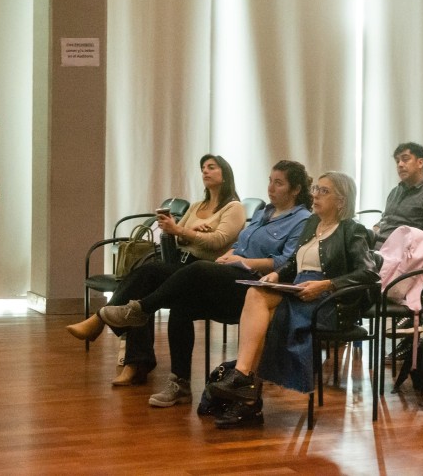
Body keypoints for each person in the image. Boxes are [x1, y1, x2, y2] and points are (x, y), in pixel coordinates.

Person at [96, 160, 313, 408]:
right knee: (181, 303)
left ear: (295, 190)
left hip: (257, 289)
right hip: (232, 276)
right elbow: (240, 244)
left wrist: (243, 260)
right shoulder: (265, 213)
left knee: (196, 268)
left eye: (279, 183)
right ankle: (180, 384)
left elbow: (285, 262)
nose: (271, 188)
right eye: (270, 181)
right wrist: (230, 254)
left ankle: (140, 309)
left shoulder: (302, 220)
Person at [207, 172, 377, 428]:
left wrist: (326, 284)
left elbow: (368, 273)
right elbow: (293, 262)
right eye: (316, 189)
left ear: (341, 201)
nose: (315, 195)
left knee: (267, 318)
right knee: (256, 292)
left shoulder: (353, 230)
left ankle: (247, 395)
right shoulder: (311, 224)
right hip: (301, 293)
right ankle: (243, 381)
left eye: (324, 191)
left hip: (330, 302)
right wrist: (276, 273)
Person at [66, 154, 245, 386]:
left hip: (205, 273)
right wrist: (180, 231)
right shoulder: (196, 206)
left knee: (147, 275)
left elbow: (217, 242)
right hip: (182, 264)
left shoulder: (234, 207)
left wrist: (186, 232)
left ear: (225, 175)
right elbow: (179, 240)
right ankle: (135, 362)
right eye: (203, 168)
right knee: (144, 280)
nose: (205, 172)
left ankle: (103, 322)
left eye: (212, 167)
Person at [373, 142, 423, 244]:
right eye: (397, 161)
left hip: (404, 251)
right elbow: (384, 220)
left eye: (405, 159)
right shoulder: (394, 192)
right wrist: (372, 232)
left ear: (420, 163)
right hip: (378, 246)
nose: (400, 164)